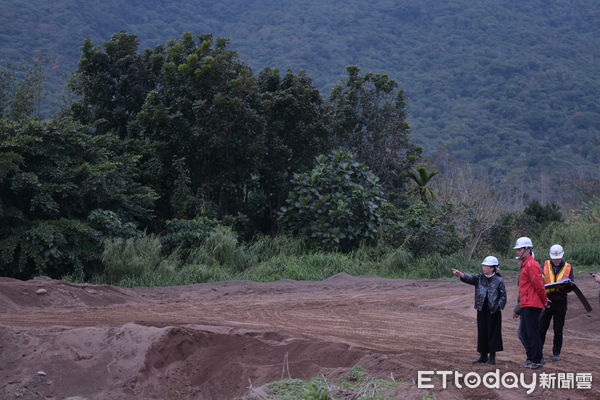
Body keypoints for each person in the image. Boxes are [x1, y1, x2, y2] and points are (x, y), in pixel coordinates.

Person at [452, 256, 506, 365]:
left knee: (493, 333)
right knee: (482, 332)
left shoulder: (499, 280)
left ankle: (492, 357)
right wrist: (460, 274)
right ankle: (483, 356)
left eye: (486, 266)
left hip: (493, 311)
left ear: (493, 268)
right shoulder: (479, 278)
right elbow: (469, 278)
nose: (484, 267)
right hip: (481, 309)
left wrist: (498, 307)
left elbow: (503, 297)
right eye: (484, 265)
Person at [512, 236, 548, 369]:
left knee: (531, 333)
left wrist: (544, 301)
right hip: (527, 304)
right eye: (517, 249)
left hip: (532, 304)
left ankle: (537, 360)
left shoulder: (531, 265)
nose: (517, 252)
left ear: (528, 250)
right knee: (524, 333)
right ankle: (532, 358)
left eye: (519, 249)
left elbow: (539, 286)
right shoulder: (526, 264)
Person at [539, 244, 574, 362]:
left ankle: (556, 352)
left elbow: (571, 285)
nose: (556, 259)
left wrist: (566, 286)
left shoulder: (568, 267)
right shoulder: (544, 265)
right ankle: (539, 351)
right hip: (546, 300)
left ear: (562, 256)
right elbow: (539, 280)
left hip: (561, 300)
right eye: (554, 257)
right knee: (542, 328)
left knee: (558, 329)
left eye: (558, 257)